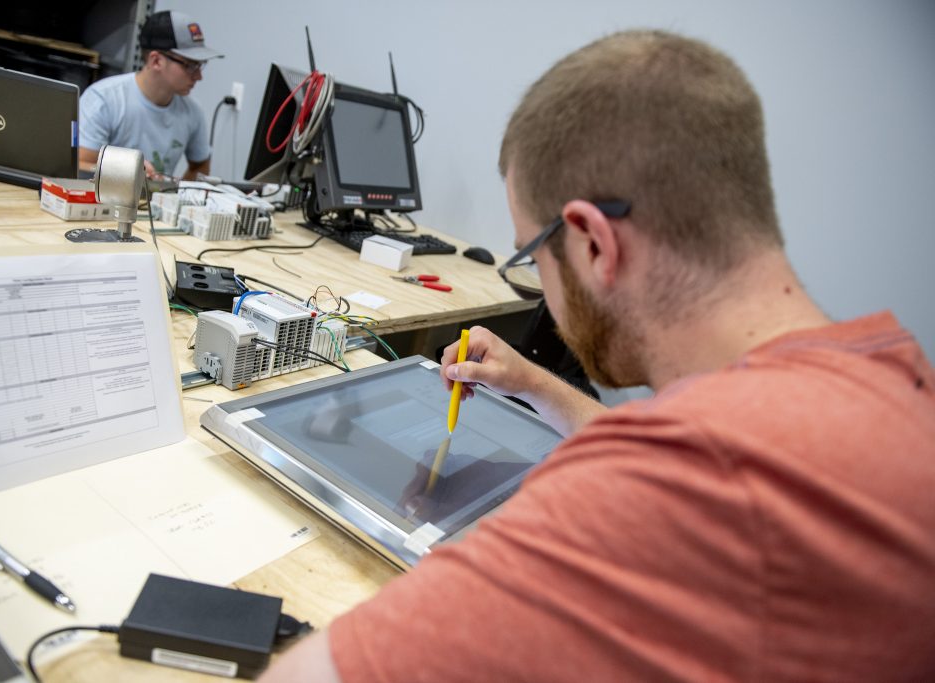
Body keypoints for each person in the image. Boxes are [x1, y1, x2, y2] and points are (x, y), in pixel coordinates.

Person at [261, 30, 935, 682]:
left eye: (531, 255)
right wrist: (538, 385)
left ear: (590, 241)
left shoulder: (691, 484)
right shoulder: (892, 373)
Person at [78, 10, 222, 180]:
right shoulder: (103, 99)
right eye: (190, 65)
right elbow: (79, 164)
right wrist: (125, 171)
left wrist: (174, 194)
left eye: (201, 65)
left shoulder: (192, 111)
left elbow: (200, 166)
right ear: (156, 61)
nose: (199, 76)